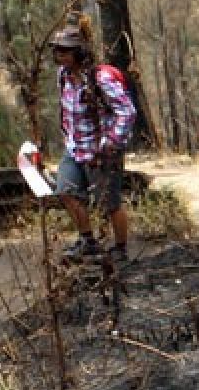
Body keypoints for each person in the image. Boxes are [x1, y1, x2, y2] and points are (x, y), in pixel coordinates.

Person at [50, 22, 136, 262]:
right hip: (75, 148)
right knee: (65, 191)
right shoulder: (64, 76)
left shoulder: (101, 78)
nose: (61, 56)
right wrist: (67, 135)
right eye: (58, 51)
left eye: (65, 51)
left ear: (79, 52)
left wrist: (111, 143)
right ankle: (87, 241)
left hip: (102, 151)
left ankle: (120, 248)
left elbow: (127, 112)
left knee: (110, 202)